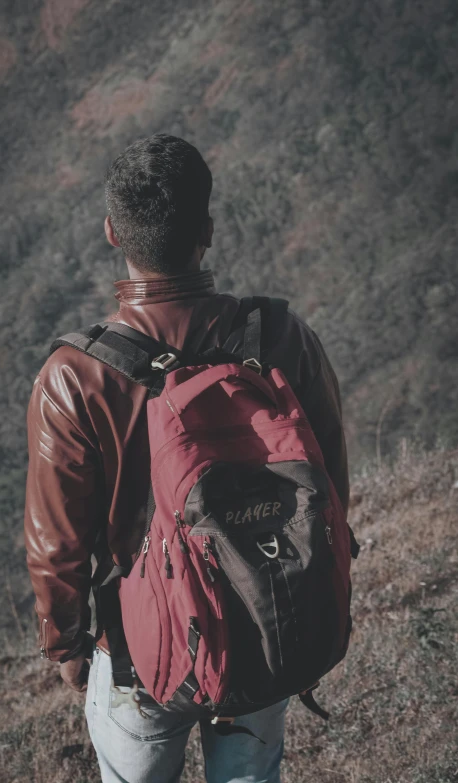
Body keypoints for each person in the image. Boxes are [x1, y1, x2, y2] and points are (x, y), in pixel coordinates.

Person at [24, 134, 349, 783]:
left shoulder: (74, 376)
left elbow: (55, 545)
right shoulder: (281, 336)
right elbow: (330, 485)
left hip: (140, 657)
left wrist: (68, 647)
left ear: (112, 232)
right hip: (263, 617)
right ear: (208, 227)